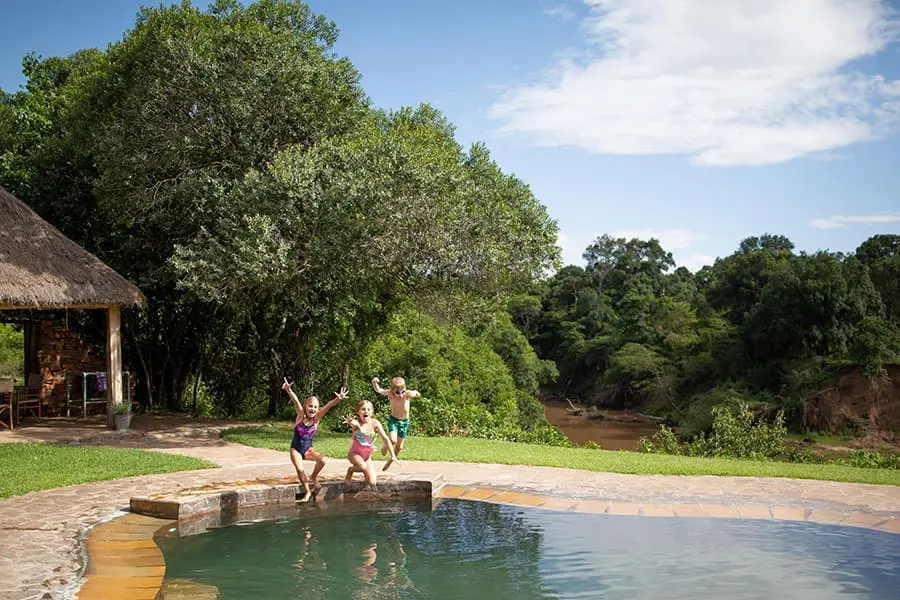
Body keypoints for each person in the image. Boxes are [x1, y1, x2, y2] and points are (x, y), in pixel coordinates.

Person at [282, 378, 348, 502]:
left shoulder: (317, 419)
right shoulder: (300, 416)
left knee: (322, 460)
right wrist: (289, 390)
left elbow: (328, 405)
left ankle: (313, 476)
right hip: (295, 449)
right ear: (305, 407)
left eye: (315, 407)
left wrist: (338, 399)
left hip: (308, 449)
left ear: (318, 409)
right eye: (310, 406)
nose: (312, 409)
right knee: (300, 468)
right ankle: (307, 491)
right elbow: (295, 401)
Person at [343, 400, 397, 490]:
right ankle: (351, 470)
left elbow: (385, 438)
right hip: (355, 454)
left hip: (367, 456)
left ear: (372, 412)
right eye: (363, 409)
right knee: (363, 467)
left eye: (368, 409)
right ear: (358, 412)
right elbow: (353, 424)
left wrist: (393, 455)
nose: (366, 411)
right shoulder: (357, 423)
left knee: (372, 484)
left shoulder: (375, 423)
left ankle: (364, 473)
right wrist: (350, 422)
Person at [371, 376, 421, 471]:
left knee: (399, 447)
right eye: (397, 393)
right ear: (392, 391)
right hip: (394, 420)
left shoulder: (407, 395)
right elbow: (378, 390)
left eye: (402, 391)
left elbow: (416, 393)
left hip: (405, 422)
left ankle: (391, 460)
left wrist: (416, 393)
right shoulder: (390, 394)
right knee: (393, 440)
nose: (401, 395)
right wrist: (374, 382)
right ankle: (386, 446)